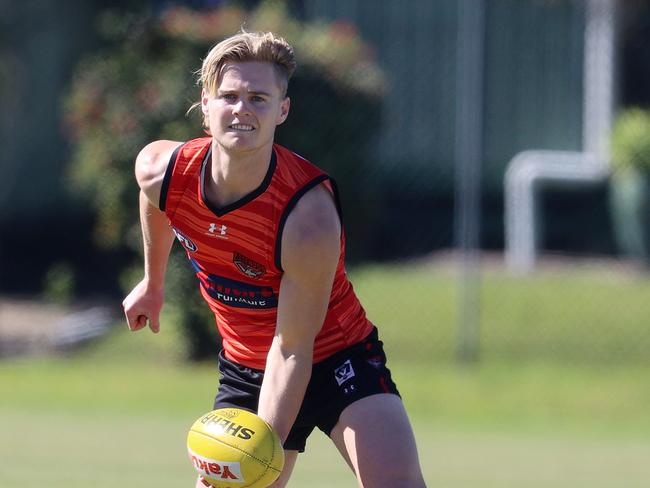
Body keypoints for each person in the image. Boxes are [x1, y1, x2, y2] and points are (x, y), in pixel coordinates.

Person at [122, 30, 426, 488]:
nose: (242, 109)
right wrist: (153, 282)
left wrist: (258, 455)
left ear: (282, 110)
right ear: (206, 105)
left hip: (334, 357)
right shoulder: (161, 171)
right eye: (230, 96)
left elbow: (292, 348)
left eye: (259, 98)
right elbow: (157, 199)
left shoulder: (307, 217)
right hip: (247, 367)